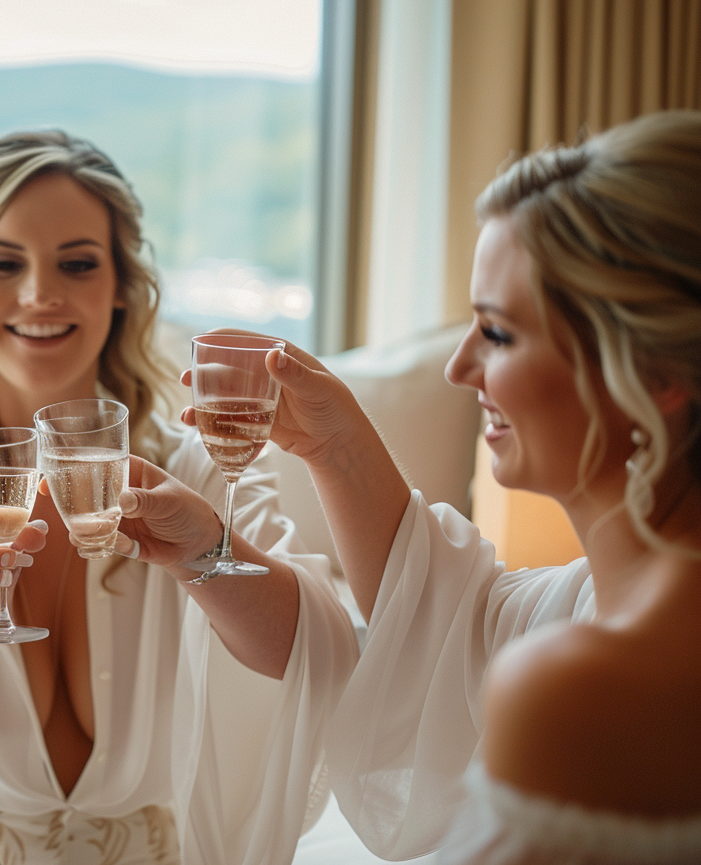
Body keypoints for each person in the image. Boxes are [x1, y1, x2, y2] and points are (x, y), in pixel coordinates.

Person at [0, 130, 359, 865]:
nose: (40, 294)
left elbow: (318, 652)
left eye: (76, 264)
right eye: (2, 263)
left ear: (122, 289)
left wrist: (201, 548)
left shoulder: (193, 473)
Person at [210, 111, 701, 862]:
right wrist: (335, 444)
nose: (458, 367)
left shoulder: (596, 686)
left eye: (498, 333)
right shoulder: (614, 604)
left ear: (657, 375)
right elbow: (465, 634)